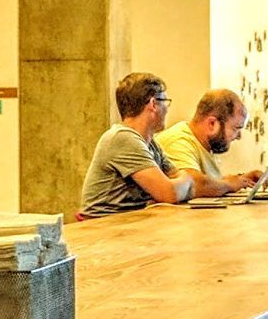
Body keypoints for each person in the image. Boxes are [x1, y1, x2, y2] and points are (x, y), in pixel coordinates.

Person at [79, 72, 196, 216]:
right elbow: (169, 193)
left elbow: (185, 183)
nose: (167, 109)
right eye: (165, 102)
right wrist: (186, 180)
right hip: (104, 229)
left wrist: (183, 182)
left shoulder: (150, 143)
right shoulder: (122, 138)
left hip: (129, 225)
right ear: (153, 104)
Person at [158, 88, 259, 191]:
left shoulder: (204, 144)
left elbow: (210, 184)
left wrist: (242, 179)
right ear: (212, 124)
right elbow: (192, 184)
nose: (239, 136)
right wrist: (229, 185)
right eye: (236, 128)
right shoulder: (178, 141)